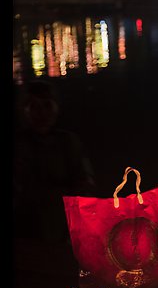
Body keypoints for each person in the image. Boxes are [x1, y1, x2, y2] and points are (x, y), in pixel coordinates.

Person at [13, 80, 97, 243]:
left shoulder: (69, 142)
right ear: (24, 111)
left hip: (62, 230)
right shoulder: (19, 146)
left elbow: (86, 185)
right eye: (34, 107)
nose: (42, 113)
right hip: (27, 232)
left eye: (47, 105)